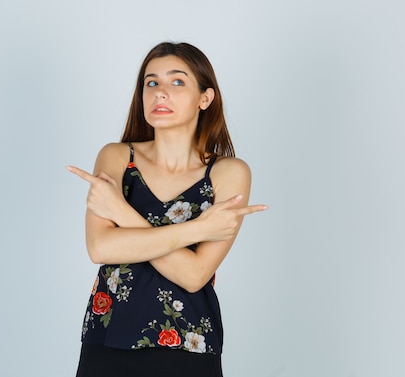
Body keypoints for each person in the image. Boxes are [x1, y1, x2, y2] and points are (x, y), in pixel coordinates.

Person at [67, 42, 267, 377]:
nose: (161, 92)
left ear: (205, 98)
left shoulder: (229, 173)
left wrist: (121, 212)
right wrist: (197, 230)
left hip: (188, 345)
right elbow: (100, 247)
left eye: (177, 82)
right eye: (151, 82)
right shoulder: (117, 157)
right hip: (108, 339)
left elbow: (194, 276)